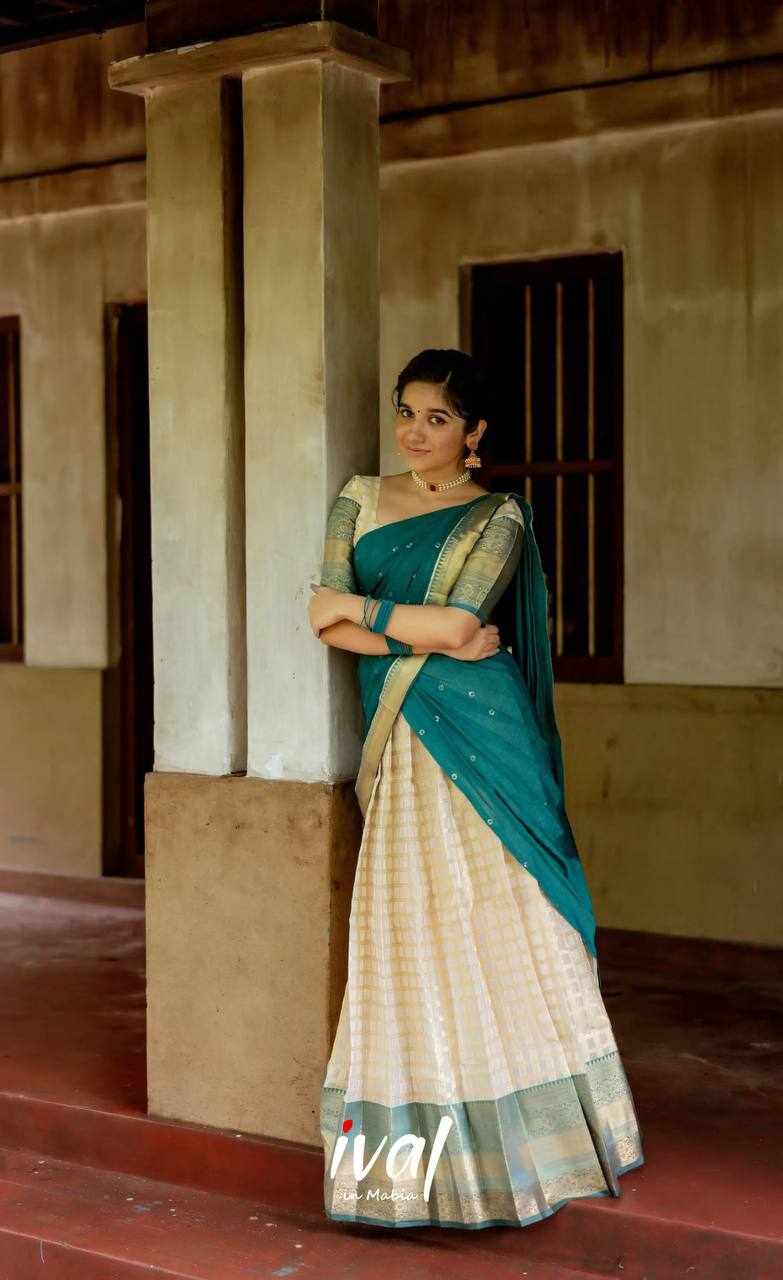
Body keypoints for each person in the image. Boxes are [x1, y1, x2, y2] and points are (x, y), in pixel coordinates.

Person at [308, 348, 644, 1230]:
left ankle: (543, 1148)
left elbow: (457, 621)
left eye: (438, 419)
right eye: (406, 413)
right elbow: (319, 618)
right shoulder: (358, 497)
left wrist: (368, 615)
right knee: (409, 921)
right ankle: (415, 1169)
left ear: (474, 432)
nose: (415, 433)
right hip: (405, 731)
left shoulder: (499, 515)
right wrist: (417, 633)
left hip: (487, 737)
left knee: (501, 914)